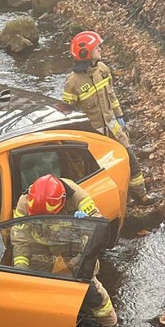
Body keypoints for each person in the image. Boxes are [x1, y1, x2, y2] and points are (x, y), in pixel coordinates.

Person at [12, 174, 119, 327]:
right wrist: (21, 269)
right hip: (40, 243)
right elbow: (20, 239)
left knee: (87, 285)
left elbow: (98, 225)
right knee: (37, 284)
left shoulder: (76, 195)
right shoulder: (24, 203)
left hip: (69, 240)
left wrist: (84, 224)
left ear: (62, 201)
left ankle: (109, 325)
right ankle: (46, 321)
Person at [61, 31, 153, 204]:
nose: (100, 49)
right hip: (93, 135)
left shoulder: (103, 69)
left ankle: (140, 195)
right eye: (97, 47)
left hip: (113, 128)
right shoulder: (72, 82)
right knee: (98, 171)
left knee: (129, 157)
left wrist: (119, 115)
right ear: (86, 53)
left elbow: (111, 95)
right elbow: (67, 112)